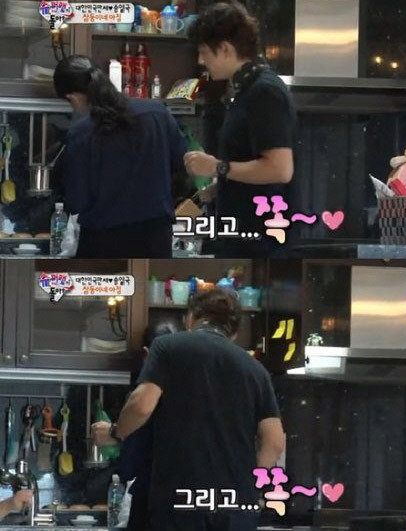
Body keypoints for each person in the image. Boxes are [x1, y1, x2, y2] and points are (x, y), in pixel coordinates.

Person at [92, 288, 285, 531]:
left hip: (178, 504)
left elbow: (141, 405)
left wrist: (115, 433)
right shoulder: (256, 371)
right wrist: (247, 485)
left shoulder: (168, 347)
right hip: (235, 508)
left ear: (191, 317)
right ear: (234, 332)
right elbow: (274, 442)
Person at [184, 2, 297, 258]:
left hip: (261, 237)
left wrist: (217, 167)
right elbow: (251, 161)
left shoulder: (265, 91)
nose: (201, 61)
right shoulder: (246, 90)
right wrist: (219, 187)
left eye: (204, 52)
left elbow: (280, 169)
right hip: (243, 231)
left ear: (225, 49)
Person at [53, 55, 188, 258]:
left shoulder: (81, 133)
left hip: (103, 242)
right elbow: (182, 164)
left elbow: (77, 200)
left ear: (73, 97)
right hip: (156, 238)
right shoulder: (157, 112)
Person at [118, 321, 180, 531]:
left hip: (151, 498)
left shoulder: (141, 398)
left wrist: (114, 434)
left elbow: (129, 463)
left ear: (146, 354)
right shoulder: (196, 396)